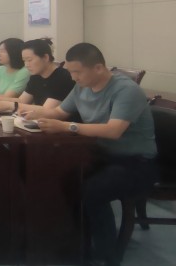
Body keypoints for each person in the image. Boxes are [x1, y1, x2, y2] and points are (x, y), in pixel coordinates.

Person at [24, 43, 157, 266]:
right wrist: (31, 114)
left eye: (77, 72)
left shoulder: (126, 90)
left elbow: (113, 131)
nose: (73, 77)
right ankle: (75, 243)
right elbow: (60, 112)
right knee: (59, 177)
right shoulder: (81, 86)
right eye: (70, 72)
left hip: (135, 162)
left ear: (98, 68)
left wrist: (67, 127)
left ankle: (106, 254)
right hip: (101, 155)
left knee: (92, 190)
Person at [0, 38, 74, 113]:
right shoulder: (35, 76)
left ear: (46, 57)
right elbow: (22, 101)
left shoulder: (62, 77)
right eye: (24, 61)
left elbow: (47, 110)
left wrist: (10, 105)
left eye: (29, 60)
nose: (26, 65)